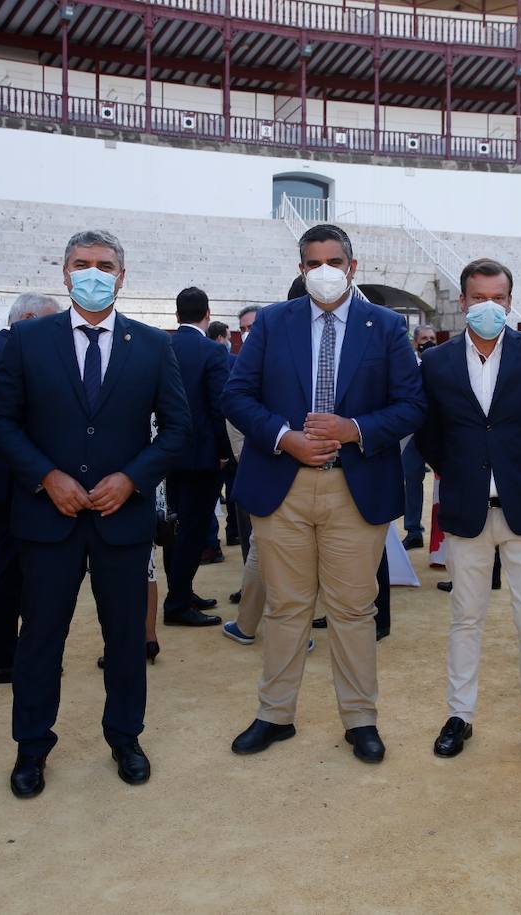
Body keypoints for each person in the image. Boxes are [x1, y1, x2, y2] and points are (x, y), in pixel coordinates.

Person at [0, 230, 190, 798]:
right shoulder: (27, 341)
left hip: (120, 521)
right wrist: (45, 476)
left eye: (105, 265)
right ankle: (31, 747)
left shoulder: (152, 345)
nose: (93, 273)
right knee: (41, 638)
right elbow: (1, 422)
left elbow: (177, 430)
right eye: (83, 264)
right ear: (64, 272)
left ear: (122, 277)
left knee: (125, 637)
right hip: (47, 519)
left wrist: (131, 479)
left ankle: (125, 737)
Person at [222, 224, 424, 763]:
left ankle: (360, 719)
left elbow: (411, 405)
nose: (325, 271)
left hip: (354, 488)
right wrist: (284, 438)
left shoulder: (385, 326)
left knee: (354, 609)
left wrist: (353, 428)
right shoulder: (272, 321)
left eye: (335, 260)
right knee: (286, 608)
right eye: (314, 262)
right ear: (301, 267)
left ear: (352, 266)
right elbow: (236, 394)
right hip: (282, 486)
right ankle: (274, 714)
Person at [416, 259, 521, 772]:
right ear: (462, 301)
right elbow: (429, 434)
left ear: (510, 301)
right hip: (466, 510)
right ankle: (459, 716)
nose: (487, 306)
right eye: (478, 297)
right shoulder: (435, 364)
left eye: (497, 298)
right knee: (465, 620)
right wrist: (463, 474)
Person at [0, 292, 61, 684]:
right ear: (30, 317)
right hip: (12, 478)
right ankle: (4, 656)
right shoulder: (14, 354)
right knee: (9, 568)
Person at [158, 286, 230, 626]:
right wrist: (224, 452)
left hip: (167, 455)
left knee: (174, 526)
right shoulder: (212, 352)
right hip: (202, 456)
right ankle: (177, 603)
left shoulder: (162, 346)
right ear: (208, 313)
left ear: (177, 315)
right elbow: (219, 408)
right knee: (193, 528)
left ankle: (181, 591)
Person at [402, 324, 438, 550]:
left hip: (438, 432)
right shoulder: (408, 366)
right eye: (424, 338)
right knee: (411, 481)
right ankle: (414, 530)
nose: (429, 341)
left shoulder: (444, 362)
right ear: (416, 342)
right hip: (413, 433)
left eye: (432, 337)